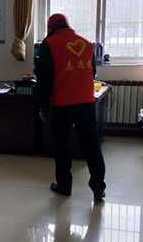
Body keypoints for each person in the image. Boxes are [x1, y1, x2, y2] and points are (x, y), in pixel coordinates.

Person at [35, 13, 106, 202]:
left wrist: (43, 106)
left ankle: (64, 186)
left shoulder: (49, 44)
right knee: (91, 145)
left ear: (50, 28)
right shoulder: (87, 44)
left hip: (62, 104)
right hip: (86, 103)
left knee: (62, 146)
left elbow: (44, 79)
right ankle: (98, 188)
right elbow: (92, 72)